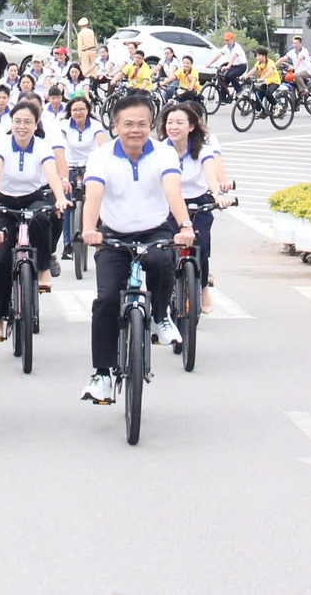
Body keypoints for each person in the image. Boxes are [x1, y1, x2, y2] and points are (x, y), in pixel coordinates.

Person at [79, 94, 195, 406]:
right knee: (105, 300)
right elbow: (94, 195)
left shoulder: (163, 154)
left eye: (142, 124)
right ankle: (102, 374)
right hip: (113, 235)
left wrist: (185, 226)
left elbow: (173, 190)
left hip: (153, 230)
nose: (135, 130)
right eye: (128, 124)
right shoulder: (101, 156)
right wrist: (89, 229)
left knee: (161, 261)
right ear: (115, 125)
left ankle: (159, 316)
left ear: (151, 125)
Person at [0, 99, 69, 341]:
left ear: (36, 124)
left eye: (28, 122)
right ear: (12, 123)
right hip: (3, 202)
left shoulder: (42, 146)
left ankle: (42, 267)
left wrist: (60, 197)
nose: (22, 126)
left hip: (33, 197)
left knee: (43, 218)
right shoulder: (1, 144)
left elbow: (51, 173)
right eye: (18, 121)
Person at [160, 102, 230, 313]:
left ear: (191, 126)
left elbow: (210, 175)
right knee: (165, 251)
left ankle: (203, 287)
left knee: (201, 246)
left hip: (199, 203)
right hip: (169, 205)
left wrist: (218, 194)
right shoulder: (161, 149)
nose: (174, 127)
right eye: (170, 122)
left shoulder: (203, 149)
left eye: (179, 122)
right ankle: (167, 291)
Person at [207, 30, 248, 99]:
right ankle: (223, 98)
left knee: (231, 75)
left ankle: (240, 90)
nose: (226, 42)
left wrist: (228, 66)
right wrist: (209, 63)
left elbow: (233, 57)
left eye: (228, 40)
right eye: (225, 40)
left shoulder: (237, 47)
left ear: (232, 39)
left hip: (241, 66)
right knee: (223, 79)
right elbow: (218, 55)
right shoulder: (226, 47)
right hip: (233, 66)